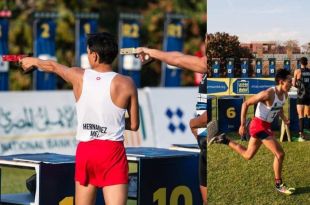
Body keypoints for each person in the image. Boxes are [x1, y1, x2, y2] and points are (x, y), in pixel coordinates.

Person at [20, 32, 139, 205]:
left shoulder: (78, 75)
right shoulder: (127, 83)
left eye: (88, 53)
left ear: (95, 56)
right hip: (113, 153)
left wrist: (32, 61)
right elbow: (134, 125)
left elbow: (52, 66)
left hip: (87, 151)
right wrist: (110, 122)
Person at [136, 36, 208, 205]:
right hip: (207, 137)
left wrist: (193, 123)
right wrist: (151, 52)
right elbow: (178, 58)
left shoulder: (210, 66)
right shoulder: (208, 65)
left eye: (208, 38)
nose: (205, 43)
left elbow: (179, 60)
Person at [209, 69, 295, 195]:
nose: (291, 84)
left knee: (248, 155)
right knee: (280, 154)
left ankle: (225, 140)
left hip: (266, 126)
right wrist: (242, 125)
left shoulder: (285, 95)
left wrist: (285, 119)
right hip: (258, 126)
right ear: (281, 82)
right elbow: (246, 104)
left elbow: (279, 108)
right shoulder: (268, 93)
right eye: (289, 81)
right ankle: (279, 184)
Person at [293, 57, 310, 141]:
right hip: (308, 95)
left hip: (301, 95)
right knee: (309, 115)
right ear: (307, 63)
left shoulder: (297, 71)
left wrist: (300, 87)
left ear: (300, 63)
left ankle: (301, 134)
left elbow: (294, 84)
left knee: (301, 115)